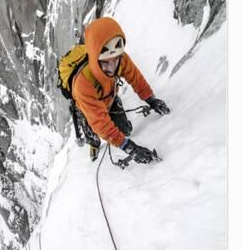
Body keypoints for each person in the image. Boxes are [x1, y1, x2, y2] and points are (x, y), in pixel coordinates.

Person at [71, 17, 170, 163]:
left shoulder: (119, 58)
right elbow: (101, 124)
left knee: (125, 131)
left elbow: (136, 79)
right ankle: (93, 143)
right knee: (95, 135)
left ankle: (111, 111)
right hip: (87, 109)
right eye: (105, 63)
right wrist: (131, 148)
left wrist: (151, 100)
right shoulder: (83, 83)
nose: (111, 67)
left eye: (115, 60)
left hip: (109, 97)